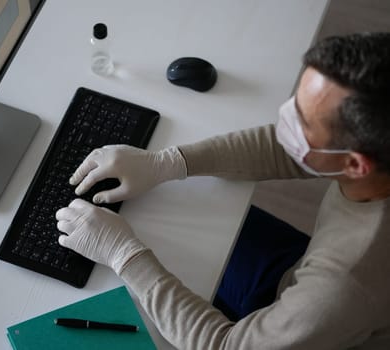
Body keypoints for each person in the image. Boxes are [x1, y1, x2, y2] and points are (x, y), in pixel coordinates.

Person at [55, 32, 390, 349]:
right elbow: (286, 149)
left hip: (311, 324)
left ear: (356, 165)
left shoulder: (343, 286)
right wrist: (169, 162)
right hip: (299, 271)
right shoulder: (373, 155)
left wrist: (123, 256)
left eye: (302, 121)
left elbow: (222, 344)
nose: (285, 119)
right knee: (165, 221)